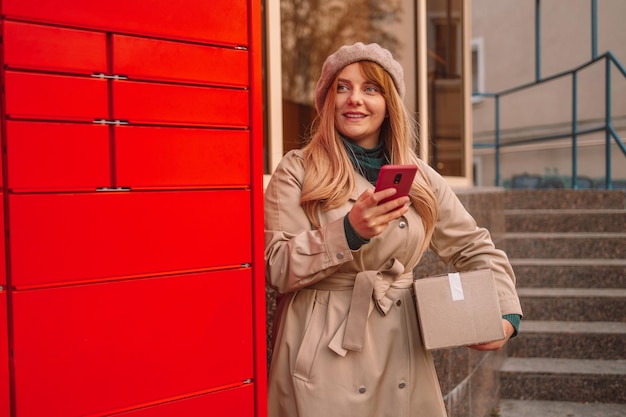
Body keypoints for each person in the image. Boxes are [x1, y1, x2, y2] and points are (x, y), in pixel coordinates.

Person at [264, 42, 523, 417]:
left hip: (403, 349)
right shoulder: (297, 170)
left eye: (371, 88)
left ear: (389, 104)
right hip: (321, 352)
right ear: (326, 100)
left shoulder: (419, 177)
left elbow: (473, 246)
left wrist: (503, 313)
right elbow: (275, 266)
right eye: (343, 87)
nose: (355, 99)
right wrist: (349, 232)